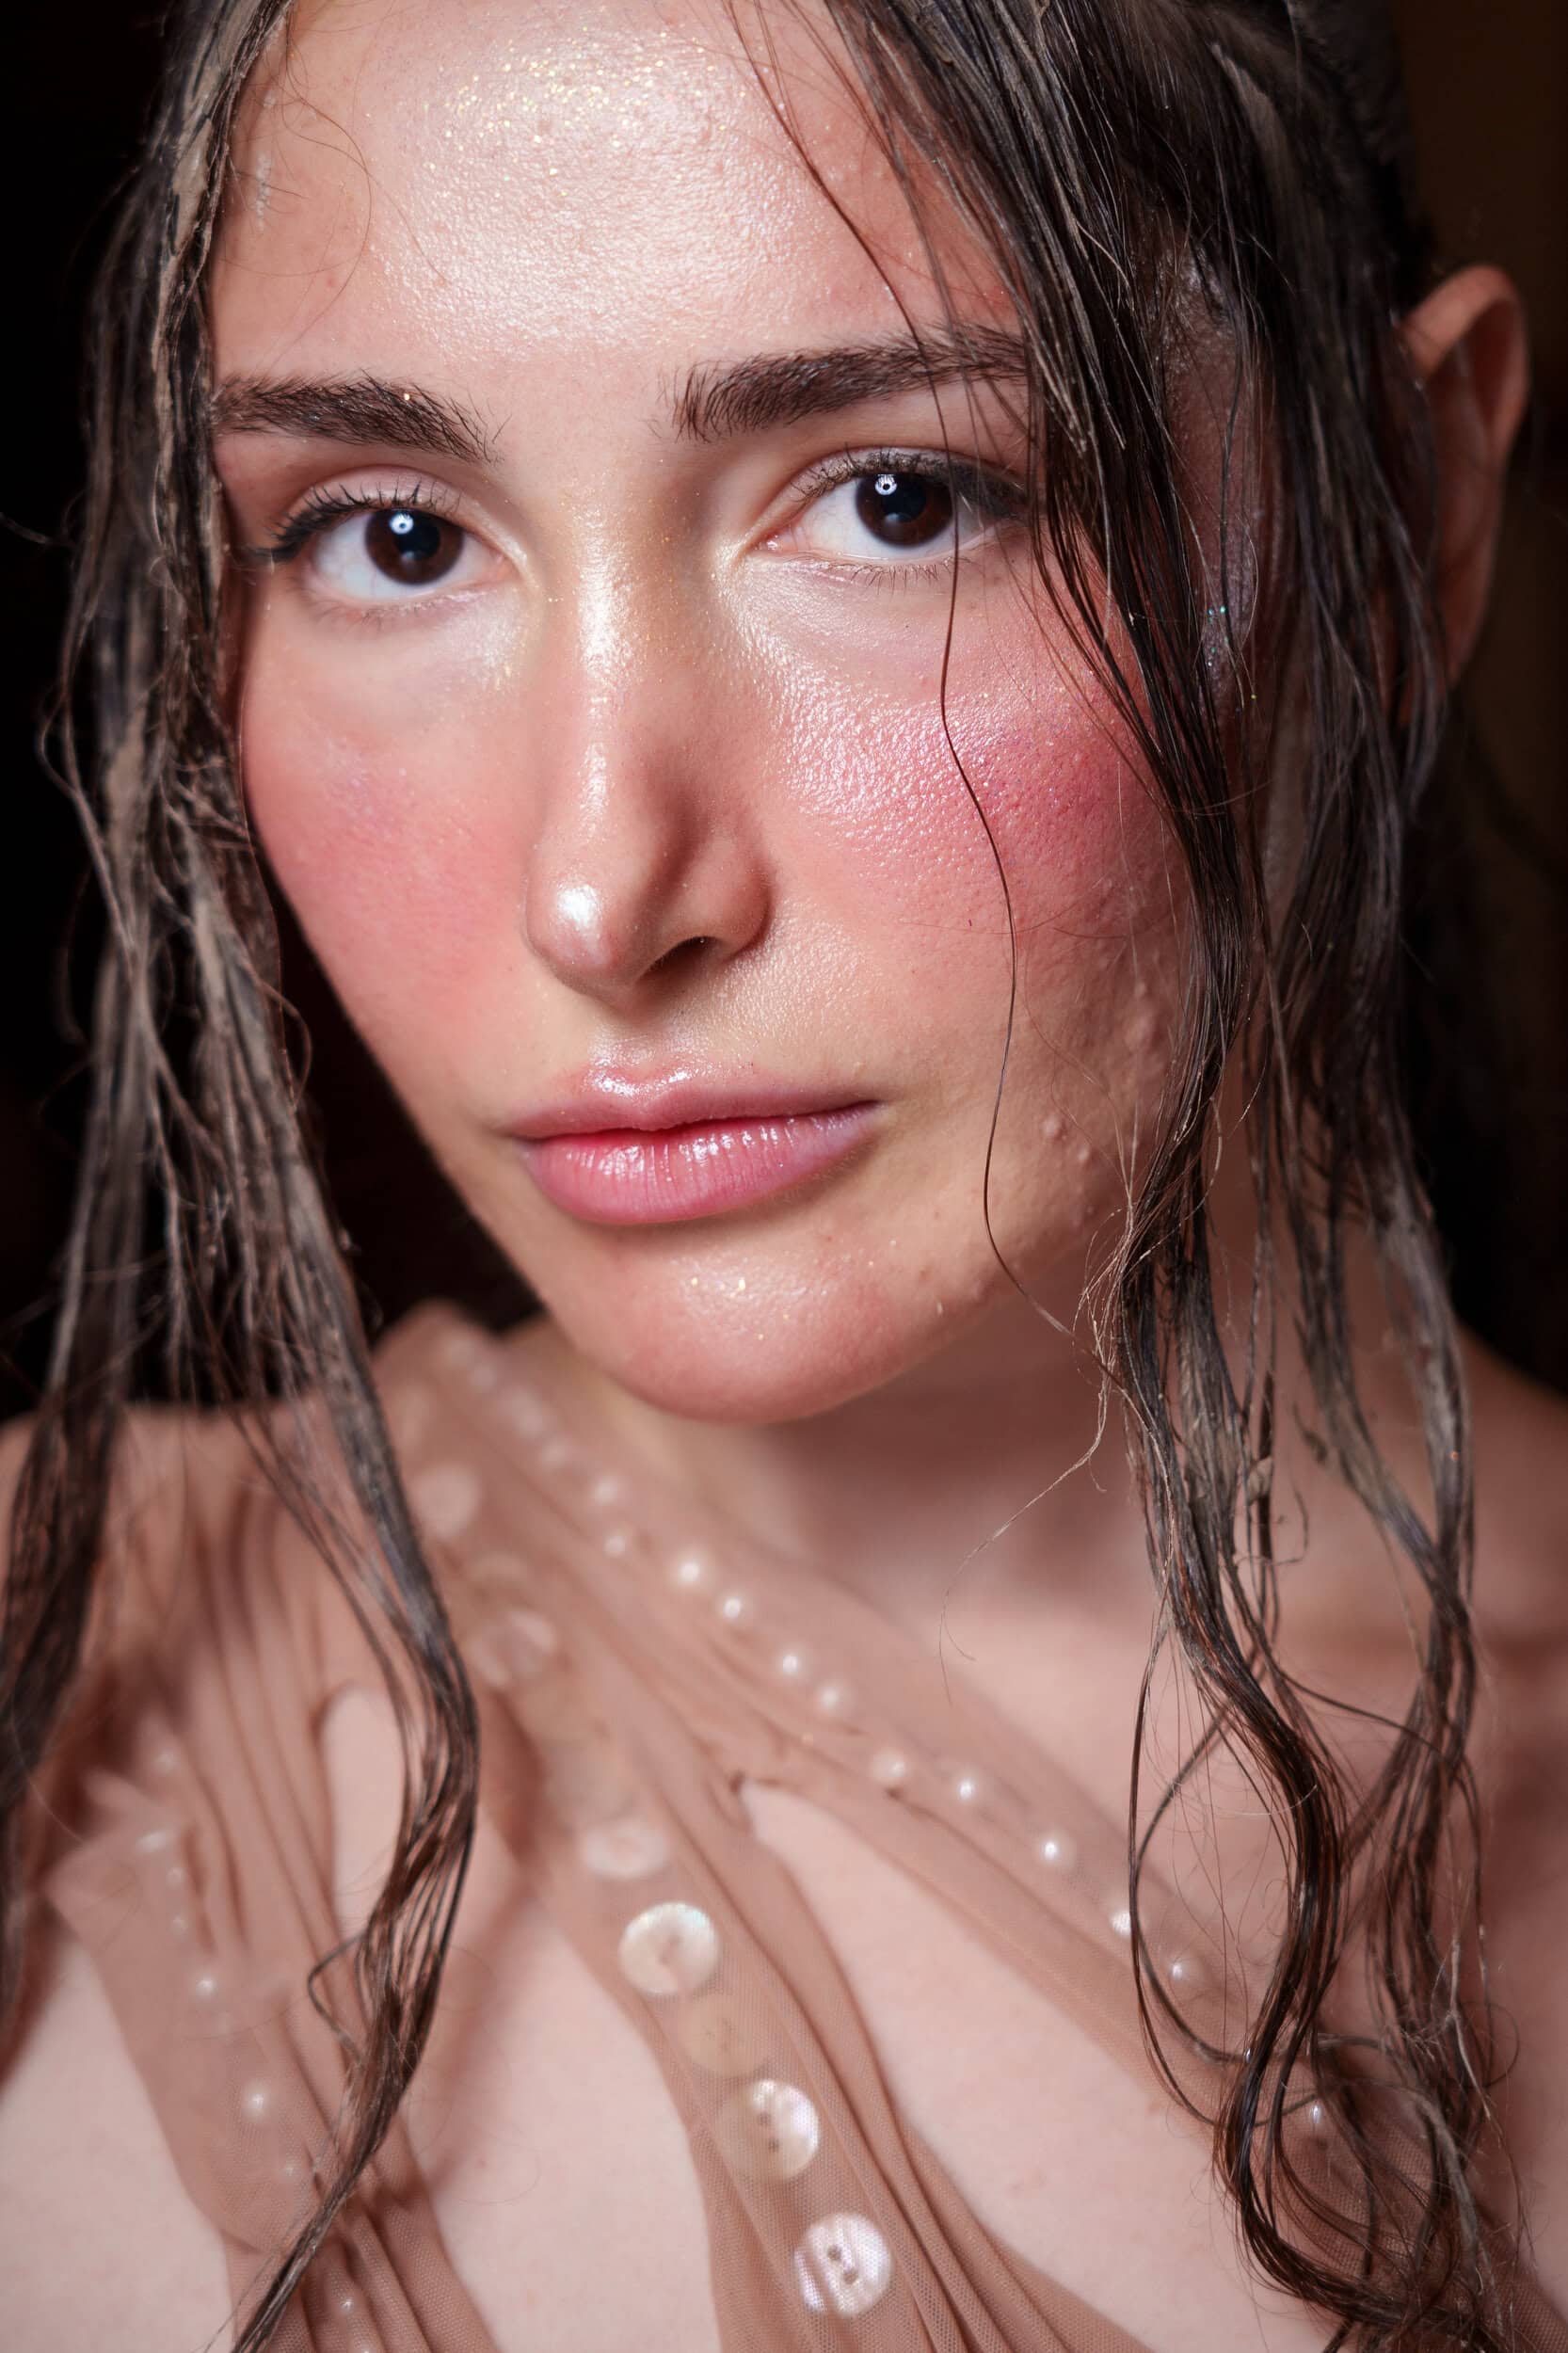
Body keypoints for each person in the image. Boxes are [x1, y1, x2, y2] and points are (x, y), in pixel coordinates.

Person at [1, 0, 1562, 2346]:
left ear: (1399, 521)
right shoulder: (67, 1697)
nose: (599, 890)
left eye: (896, 500)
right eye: (393, 538)